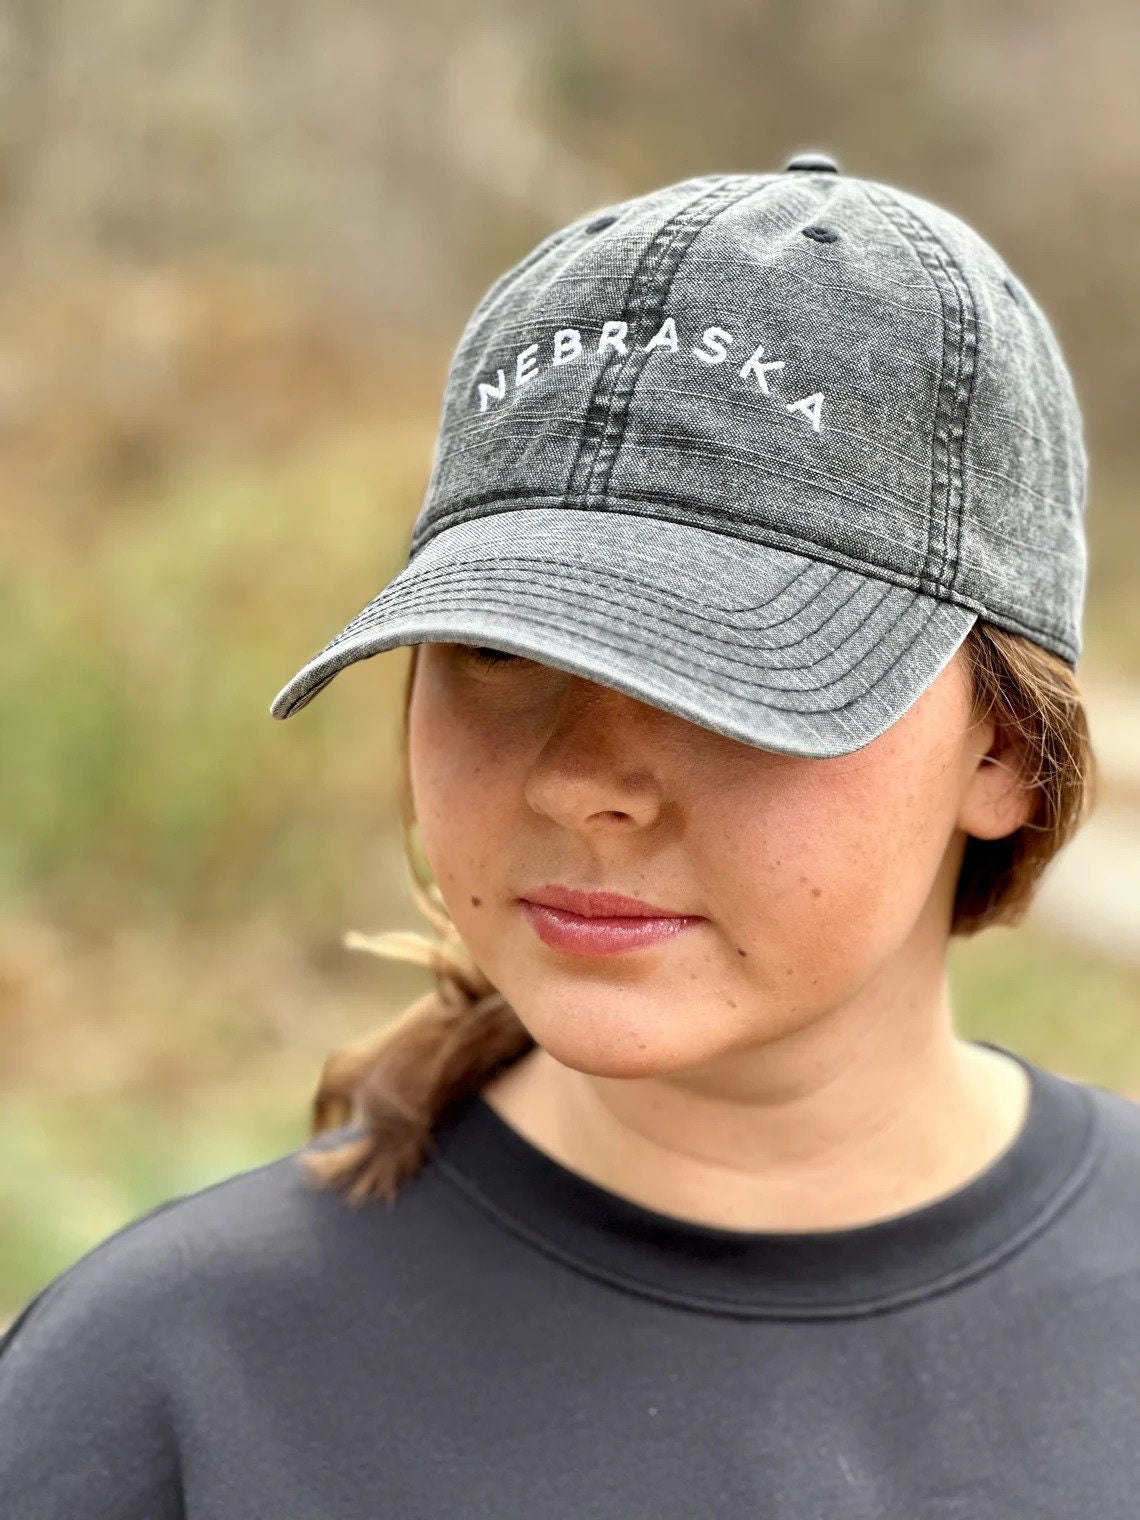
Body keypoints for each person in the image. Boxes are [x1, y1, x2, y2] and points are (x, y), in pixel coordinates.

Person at [1, 150, 1134, 1519]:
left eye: (734, 673)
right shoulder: (166, 1387)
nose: (584, 781)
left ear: (1004, 750)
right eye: (496, 644)